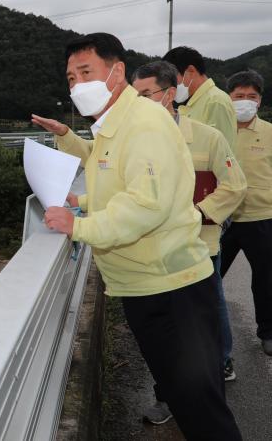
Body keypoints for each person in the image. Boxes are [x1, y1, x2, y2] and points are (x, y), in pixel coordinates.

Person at [31, 33, 242, 441]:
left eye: (85, 72)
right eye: (70, 77)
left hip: (171, 289)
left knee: (201, 409)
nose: (76, 84)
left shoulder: (144, 123)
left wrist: (79, 226)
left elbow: (146, 206)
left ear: (116, 72)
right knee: (188, 403)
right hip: (146, 287)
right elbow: (125, 189)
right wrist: (85, 201)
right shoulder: (114, 127)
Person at [131, 60, 247, 423]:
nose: (139, 103)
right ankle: (167, 397)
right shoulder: (136, 143)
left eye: (145, 94)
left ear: (168, 95)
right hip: (154, 256)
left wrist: (197, 214)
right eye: (134, 97)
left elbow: (235, 185)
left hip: (198, 252)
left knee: (201, 335)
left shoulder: (208, 138)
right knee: (166, 335)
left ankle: (209, 401)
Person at [222, 70, 272, 356]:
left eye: (251, 97)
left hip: (262, 217)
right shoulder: (218, 131)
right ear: (228, 99)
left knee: (266, 279)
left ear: (260, 101)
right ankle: (208, 334)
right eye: (238, 96)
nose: (244, 102)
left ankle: (267, 331)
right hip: (223, 219)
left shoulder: (269, 132)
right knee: (209, 278)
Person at [163, 46, 237, 150]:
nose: (170, 85)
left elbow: (224, 152)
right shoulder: (191, 102)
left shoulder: (215, 101)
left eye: (172, 79)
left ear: (190, 71)